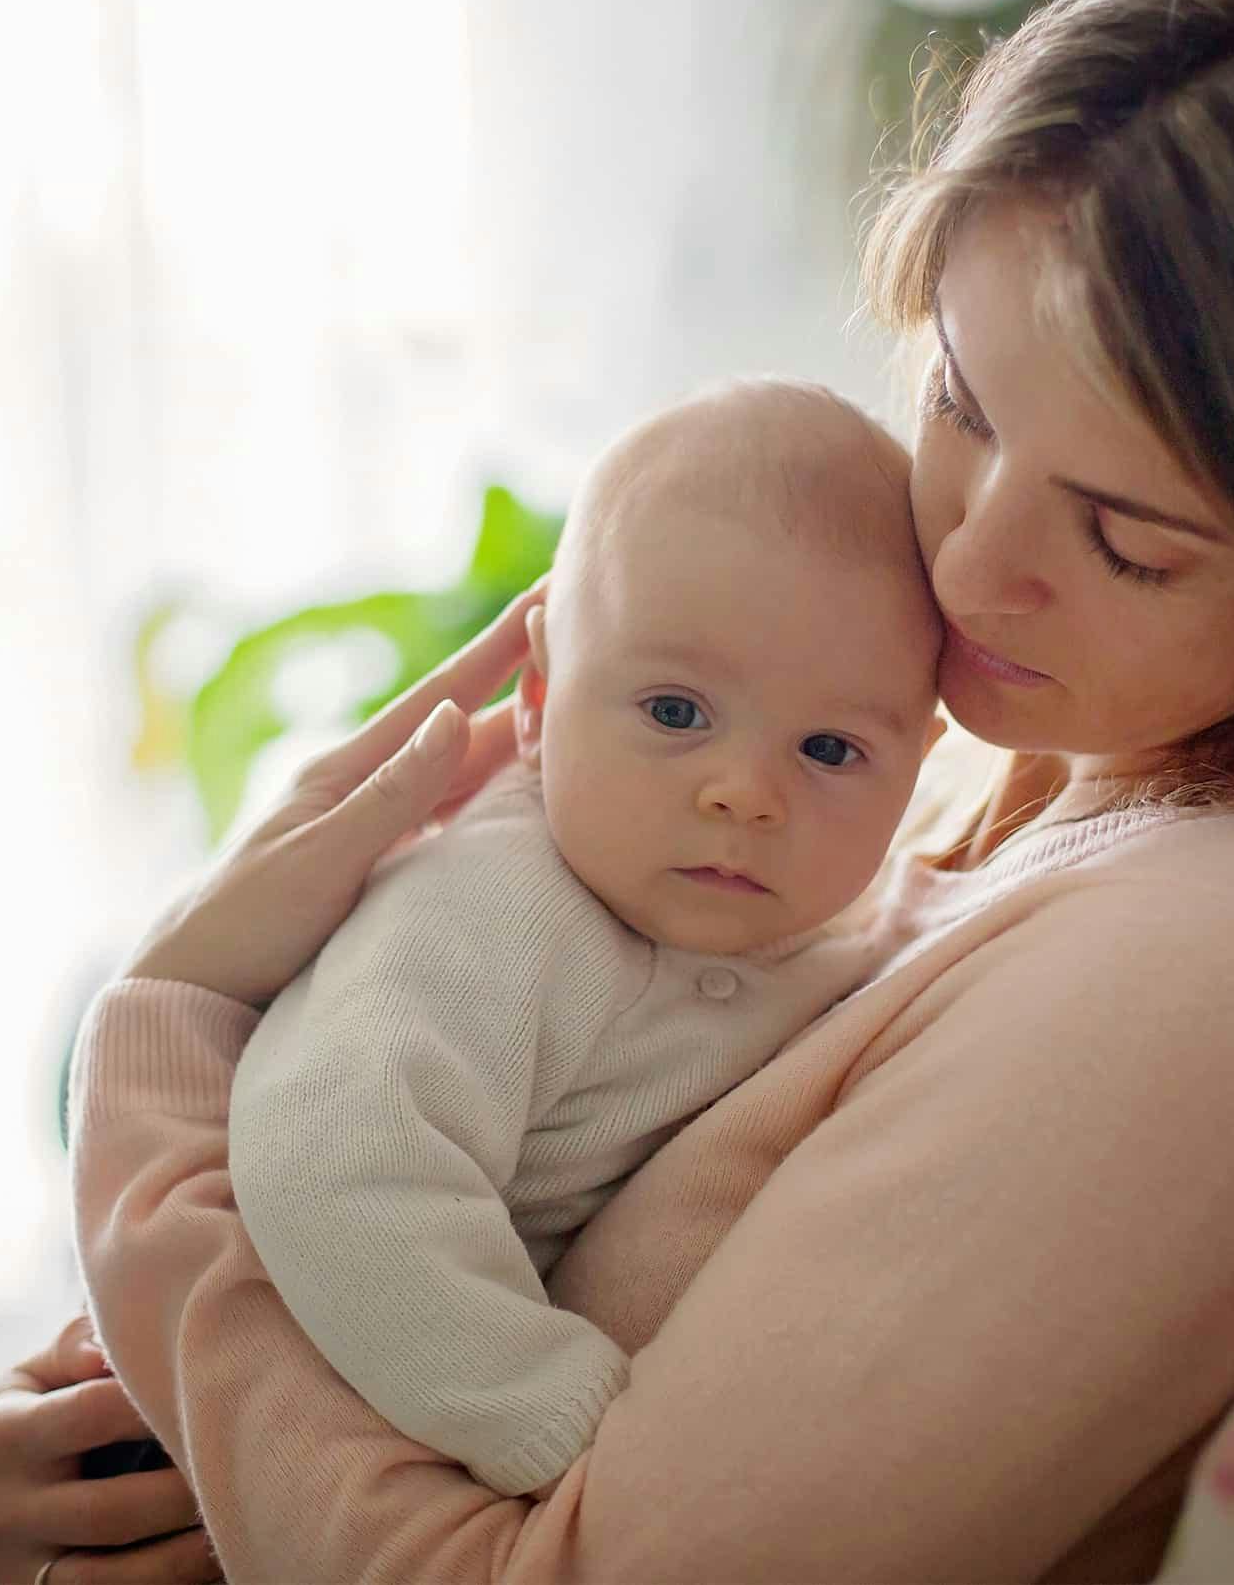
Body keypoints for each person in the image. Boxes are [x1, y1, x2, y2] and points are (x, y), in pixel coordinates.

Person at [0, 0, 1234, 1584]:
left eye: (1128, 536)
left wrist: (162, 1070)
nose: (970, 559)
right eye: (959, 400)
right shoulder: (1022, 752)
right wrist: (150, 1437)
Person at [227, 377, 943, 1497]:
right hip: (314, 1410)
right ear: (536, 697)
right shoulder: (494, 906)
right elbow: (335, 1156)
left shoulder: (838, 929)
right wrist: (560, 1414)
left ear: (916, 766)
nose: (744, 793)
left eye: (830, 750)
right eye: (673, 712)